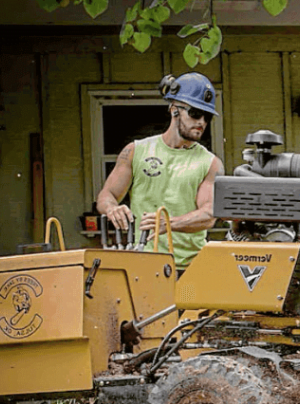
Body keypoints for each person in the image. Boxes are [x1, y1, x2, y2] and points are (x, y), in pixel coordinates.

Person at [96, 72, 224, 270]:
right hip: (144, 266)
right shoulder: (135, 151)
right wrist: (112, 208)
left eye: (207, 117)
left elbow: (209, 214)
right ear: (174, 110)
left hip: (190, 268)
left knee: (188, 302)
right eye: (195, 113)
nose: (201, 122)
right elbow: (107, 195)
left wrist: (170, 223)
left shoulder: (210, 163)